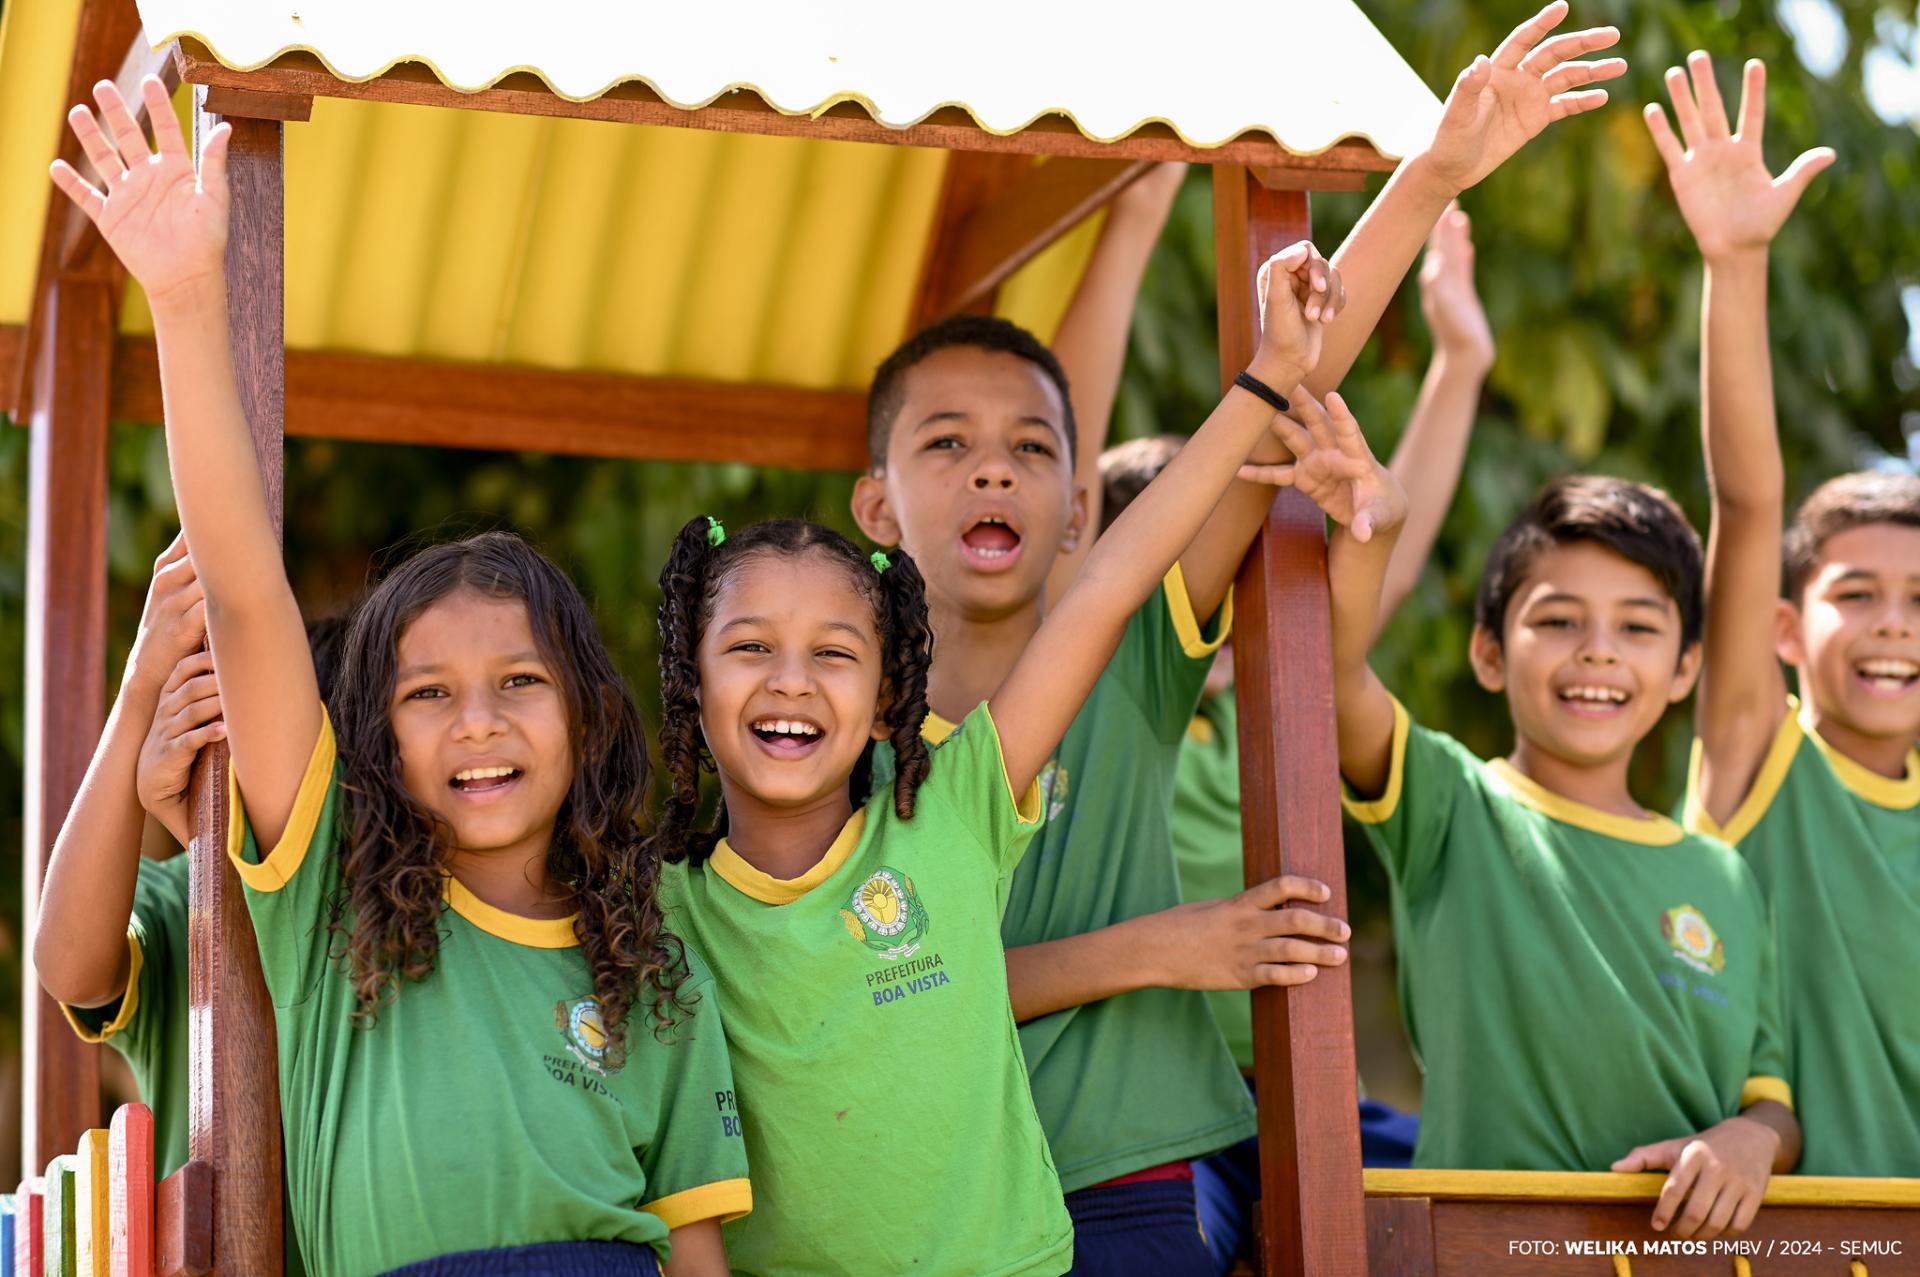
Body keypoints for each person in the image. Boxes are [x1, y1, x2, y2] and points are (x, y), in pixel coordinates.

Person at [852, 6, 1625, 1268]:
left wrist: (1426, 175)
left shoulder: (1129, 656)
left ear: (1078, 507)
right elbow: (873, 991)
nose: (993, 474)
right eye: (948, 446)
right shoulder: (820, 722)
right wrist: (1166, 945)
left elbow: (1280, 399)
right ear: (877, 506)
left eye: (1034, 450)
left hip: (1127, 1177)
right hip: (912, 1181)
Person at [52, 78, 746, 1277]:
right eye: (426, 693)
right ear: (369, 740)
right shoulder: (332, 904)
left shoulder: (652, 960)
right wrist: (184, 296)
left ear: (586, 712)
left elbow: (693, 1243)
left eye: (520, 680)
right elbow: (247, 593)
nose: (478, 720)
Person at [660, 230, 1337, 1276]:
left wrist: (1273, 373)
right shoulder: (665, 904)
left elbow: (1115, 575)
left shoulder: (960, 796)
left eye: (832, 652)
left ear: (885, 692)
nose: (792, 680)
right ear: (686, 684)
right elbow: (676, 1167)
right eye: (750, 649)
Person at [1288, 381, 1800, 1238]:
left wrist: (1751, 1140)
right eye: (1559, 619)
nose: (1598, 648)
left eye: (1638, 626)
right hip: (1485, 1250)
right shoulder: (1451, 802)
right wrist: (1374, 532)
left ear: (1684, 670)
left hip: (1685, 1257)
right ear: (1488, 652)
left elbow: (1771, 1096)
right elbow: (1328, 674)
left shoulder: (1724, 873)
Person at [1098, 203, 1493, 1272]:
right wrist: (1131, 223)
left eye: (1235, 567)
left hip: (1309, 1091)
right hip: (1174, 1100)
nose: (1219, 593)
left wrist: (1460, 358)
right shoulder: (1113, 710)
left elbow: (1380, 550)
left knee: (1451, 1215)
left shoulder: (1269, 705)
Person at [1648, 51, 1920, 1175]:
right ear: (1780, 628)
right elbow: (1750, 498)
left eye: (1918, 600)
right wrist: (1737, 262)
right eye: (1855, 595)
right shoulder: (1761, 757)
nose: (1894, 623)